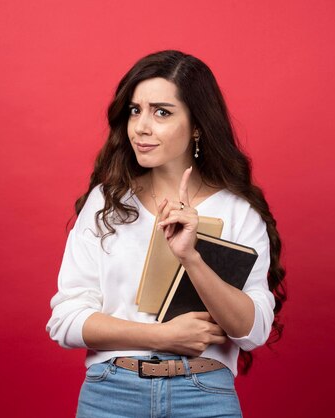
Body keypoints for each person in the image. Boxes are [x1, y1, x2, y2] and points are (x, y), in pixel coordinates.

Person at [46, 50, 286, 418]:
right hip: (111, 394)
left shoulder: (239, 212)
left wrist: (192, 257)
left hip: (204, 394)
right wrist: (163, 337)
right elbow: (66, 320)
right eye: (134, 110)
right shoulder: (106, 202)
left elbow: (251, 331)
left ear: (197, 126)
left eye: (162, 112)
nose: (141, 126)